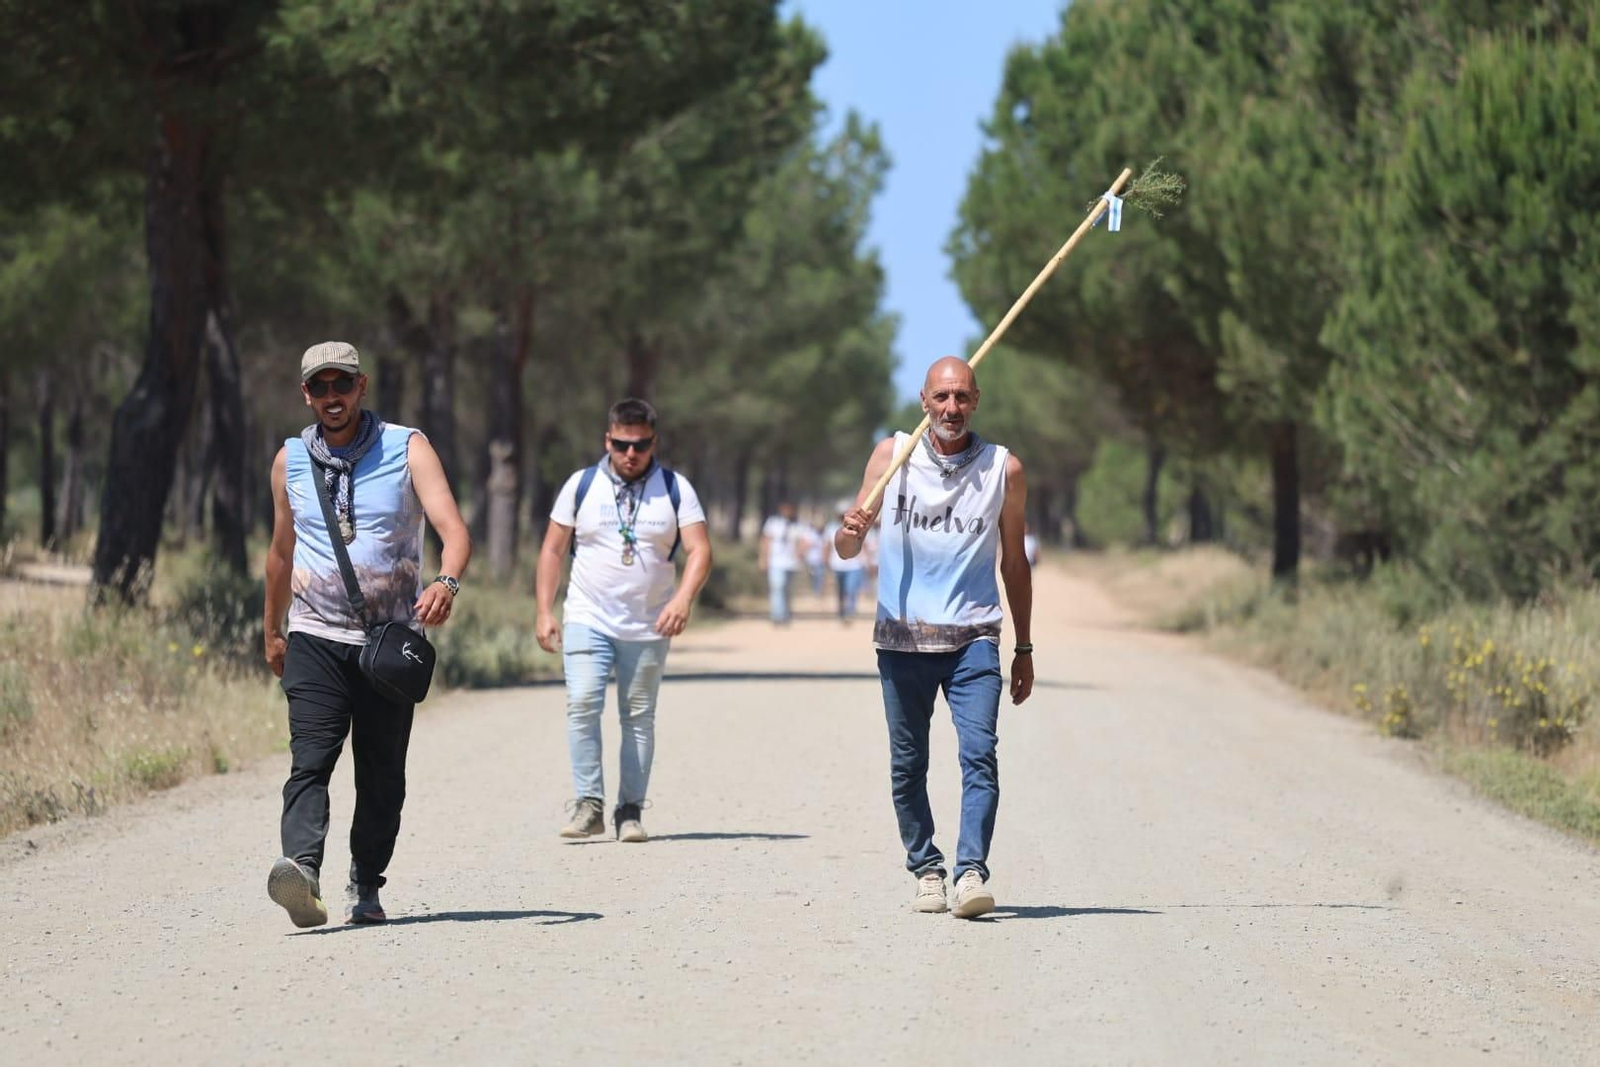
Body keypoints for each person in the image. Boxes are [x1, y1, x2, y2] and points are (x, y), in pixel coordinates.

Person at [263, 341, 471, 928]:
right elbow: (280, 553)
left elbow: (454, 530)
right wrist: (271, 630)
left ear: (362, 386)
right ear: (306, 394)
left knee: (381, 773)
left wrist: (447, 581)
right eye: (320, 386)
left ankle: (366, 880)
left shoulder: (407, 448)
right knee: (310, 759)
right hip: (313, 635)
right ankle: (302, 870)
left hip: (389, 644)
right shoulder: (289, 461)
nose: (332, 396)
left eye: (342, 384)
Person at [835, 356, 1033, 920]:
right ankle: (927, 869)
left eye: (962, 397)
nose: (952, 408)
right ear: (923, 400)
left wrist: (1023, 647)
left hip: (975, 638)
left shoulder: (1003, 470)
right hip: (903, 640)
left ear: (977, 401)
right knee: (908, 765)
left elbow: (1014, 564)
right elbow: (845, 548)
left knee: (980, 756)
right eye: (941, 397)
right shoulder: (891, 456)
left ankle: (971, 873)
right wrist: (850, 533)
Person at [535, 398, 712, 843]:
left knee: (638, 715)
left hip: (650, 624)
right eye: (621, 444)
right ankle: (589, 805)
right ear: (607, 440)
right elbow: (553, 549)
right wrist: (544, 610)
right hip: (587, 615)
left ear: (654, 443)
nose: (631, 454)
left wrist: (683, 599)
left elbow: (700, 550)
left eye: (641, 445)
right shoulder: (581, 485)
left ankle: (629, 811)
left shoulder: (675, 488)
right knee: (582, 703)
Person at [759, 501, 803, 625]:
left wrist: (800, 552)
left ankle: (786, 614)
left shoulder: (798, 525)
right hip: (776, 561)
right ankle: (777, 616)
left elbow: (803, 542)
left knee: (787, 590)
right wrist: (763, 559)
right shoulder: (773, 523)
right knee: (777, 587)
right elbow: (765, 541)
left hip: (792, 563)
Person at [823, 503, 866, 622]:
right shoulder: (831, 528)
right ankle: (841, 611)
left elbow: (864, 544)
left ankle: (850, 611)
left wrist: (865, 560)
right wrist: (826, 560)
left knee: (851, 589)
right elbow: (827, 546)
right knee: (840, 591)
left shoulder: (857, 526)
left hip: (854, 566)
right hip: (837, 565)